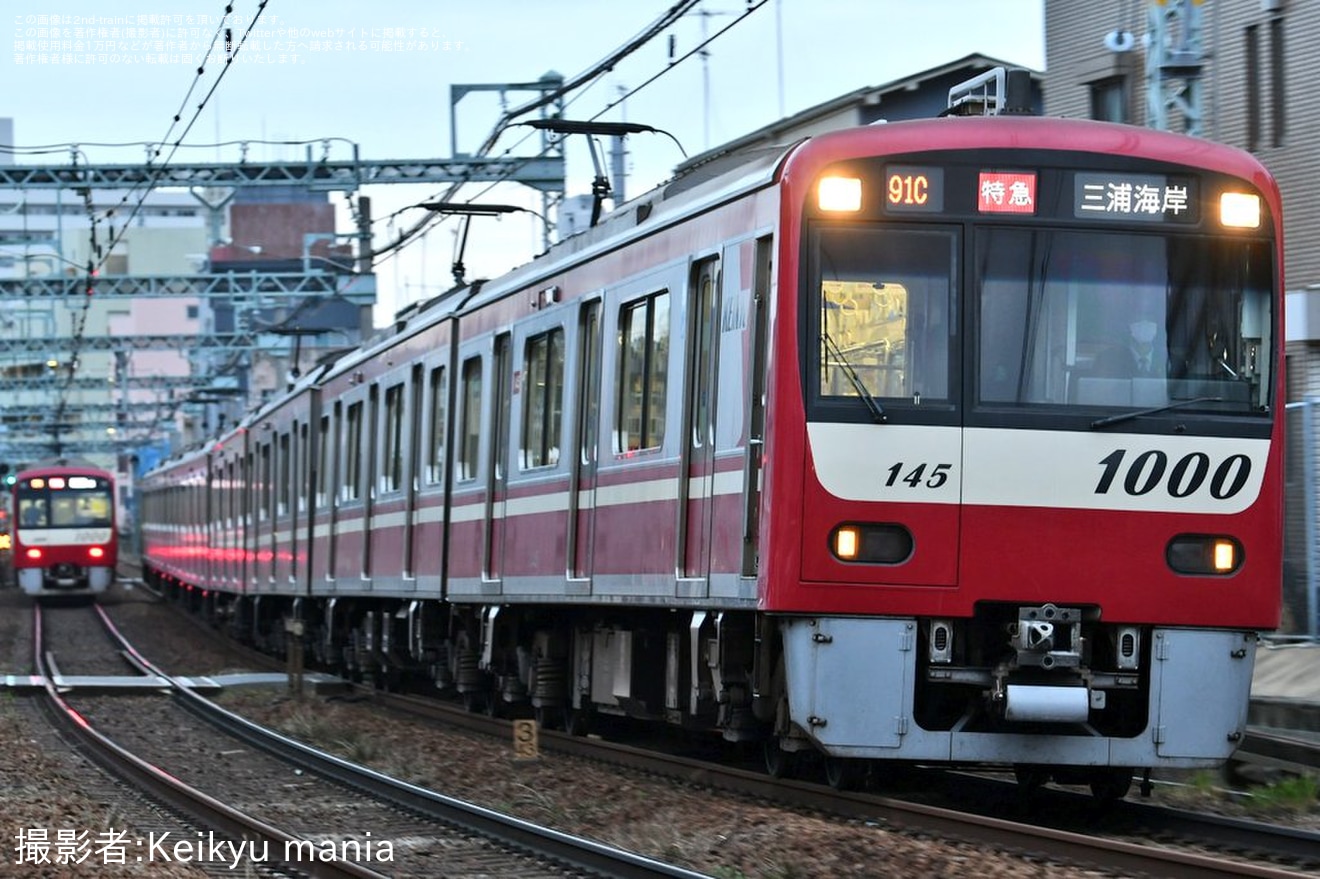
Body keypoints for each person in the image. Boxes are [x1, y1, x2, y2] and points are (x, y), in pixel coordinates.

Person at [1092, 318, 1166, 379]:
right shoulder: (1108, 360)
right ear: (1129, 326)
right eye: (1138, 318)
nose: (1144, 323)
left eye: (1149, 318)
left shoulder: (1169, 360)